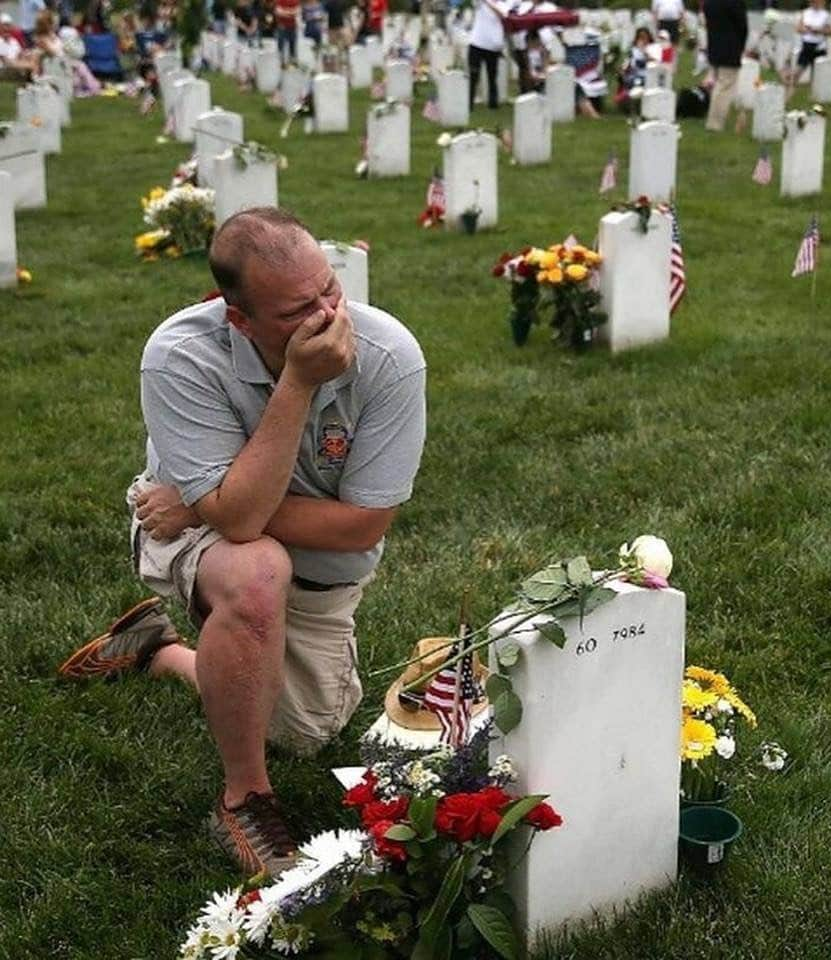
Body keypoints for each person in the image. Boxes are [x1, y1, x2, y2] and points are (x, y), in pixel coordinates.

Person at [58, 208, 427, 879]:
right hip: (194, 542)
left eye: (330, 291)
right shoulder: (178, 354)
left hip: (297, 558)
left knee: (305, 733)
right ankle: (245, 797)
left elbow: (361, 527)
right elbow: (238, 526)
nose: (326, 316)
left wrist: (211, 504)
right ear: (240, 319)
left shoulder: (391, 358)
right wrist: (297, 381)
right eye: (297, 309)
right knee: (258, 568)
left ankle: (159, 650)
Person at [703, 0, 747, 132]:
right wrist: (741, 46)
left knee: (718, 84)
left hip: (714, 46)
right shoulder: (734, 2)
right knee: (724, 87)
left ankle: (713, 119)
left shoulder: (710, 3)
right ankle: (715, 124)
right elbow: (742, 26)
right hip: (730, 48)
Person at [468, 0, 510, 110]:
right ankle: (469, 103)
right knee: (473, 75)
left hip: (493, 46)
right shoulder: (479, 3)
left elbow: (503, 14)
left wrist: (488, 2)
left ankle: (493, 103)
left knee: (492, 76)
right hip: (477, 43)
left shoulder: (503, 4)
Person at [791, 0, 831, 86]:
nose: (816, 4)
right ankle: (791, 86)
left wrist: (819, 30)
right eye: (813, 2)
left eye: (818, 2)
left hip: (819, 45)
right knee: (799, 68)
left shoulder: (825, 14)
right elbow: (798, 28)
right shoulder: (805, 13)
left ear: (822, 3)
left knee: (817, 72)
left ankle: (815, 91)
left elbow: (830, 31)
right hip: (807, 44)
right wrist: (805, 30)